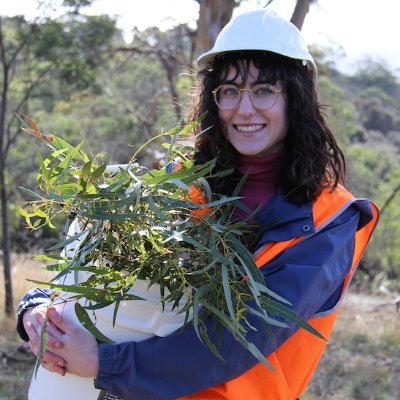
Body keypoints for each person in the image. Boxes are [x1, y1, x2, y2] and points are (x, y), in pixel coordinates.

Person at [17, 8, 379, 400]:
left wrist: (107, 364)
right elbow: (99, 266)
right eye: (229, 91)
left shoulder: (329, 222)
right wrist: (38, 310)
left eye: (264, 90)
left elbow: (240, 339)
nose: (244, 109)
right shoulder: (183, 181)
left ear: (296, 97)